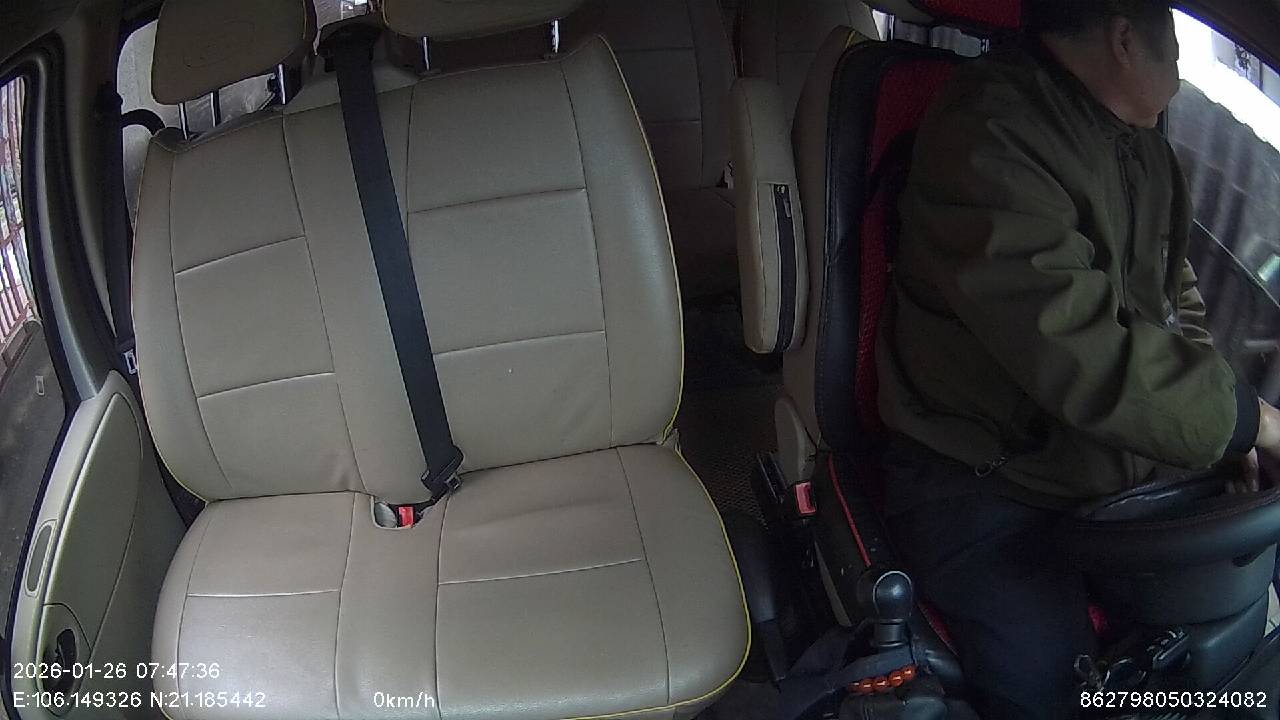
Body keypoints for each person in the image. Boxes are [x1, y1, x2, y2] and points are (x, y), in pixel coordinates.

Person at [875, 1, 1280, 717]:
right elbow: (1080, 351)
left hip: (1100, 454)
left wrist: (1221, 426)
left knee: (1229, 619)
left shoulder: (1137, 142)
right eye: (1174, 50)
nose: (1180, 73)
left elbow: (1172, 294)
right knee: (1057, 694)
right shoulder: (989, 136)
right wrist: (1252, 421)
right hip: (984, 477)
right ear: (1124, 39)